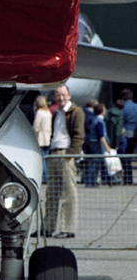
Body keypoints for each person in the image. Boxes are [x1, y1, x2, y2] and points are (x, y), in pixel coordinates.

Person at [44, 85, 85, 238]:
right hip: (54, 153)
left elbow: (79, 136)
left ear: (69, 95)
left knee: (69, 193)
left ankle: (68, 228)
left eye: (63, 95)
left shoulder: (76, 112)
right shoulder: (56, 113)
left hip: (65, 153)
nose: (60, 98)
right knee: (52, 193)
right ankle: (48, 227)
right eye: (57, 95)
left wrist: (70, 155)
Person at [116, 89, 137, 185]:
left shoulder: (123, 108)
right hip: (135, 133)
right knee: (131, 155)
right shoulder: (136, 107)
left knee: (125, 158)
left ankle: (128, 179)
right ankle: (130, 179)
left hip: (125, 133)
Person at [32, 95, 52, 183]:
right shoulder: (48, 112)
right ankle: (47, 176)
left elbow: (36, 126)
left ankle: (44, 177)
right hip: (48, 137)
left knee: (42, 159)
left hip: (41, 137)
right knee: (46, 159)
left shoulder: (39, 112)